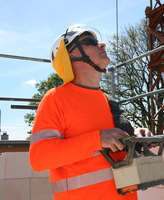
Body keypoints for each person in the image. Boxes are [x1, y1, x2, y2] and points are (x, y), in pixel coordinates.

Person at [29, 24, 153, 200]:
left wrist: (135, 136)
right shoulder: (56, 98)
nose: (102, 45)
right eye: (90, 41)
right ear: (71, 55)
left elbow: (114, 146)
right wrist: (97, 139)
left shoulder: (108, 100)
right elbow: (38, 158)